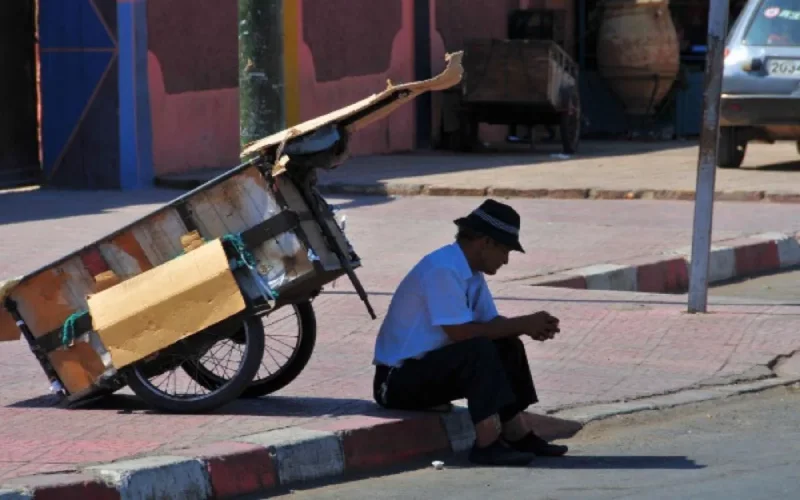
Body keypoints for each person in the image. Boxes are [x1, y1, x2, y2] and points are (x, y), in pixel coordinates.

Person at [372, 199, 568, 466]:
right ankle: (486, 443)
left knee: (507, 344)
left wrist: (527, 327)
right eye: (505, 251)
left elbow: (492, 323)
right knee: (478, 348)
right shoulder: (443, 269)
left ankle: (517, 434)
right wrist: (522, 323)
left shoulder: (470, 273)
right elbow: (460, 333)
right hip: (394, 383)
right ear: (485, 242)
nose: (506, 260)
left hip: (426, 371)